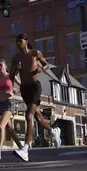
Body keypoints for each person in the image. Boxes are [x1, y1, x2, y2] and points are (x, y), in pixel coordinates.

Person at [9, 33, 59, 161]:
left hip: (35, 87)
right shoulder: (16, 58)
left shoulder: (35, 53)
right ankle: (53, 131)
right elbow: (11, 76)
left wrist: (41, 69)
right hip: (24, 89)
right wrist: (16, 69)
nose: (18, 44)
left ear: (26, 42)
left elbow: (46, 64)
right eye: (16, 42)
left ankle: (25, 149)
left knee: (29, 116)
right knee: (38, 118)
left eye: (20, 41)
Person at [0, 59, 25, 161]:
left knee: (1, 126)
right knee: (10, 129)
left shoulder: (10, 76)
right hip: (1, 105)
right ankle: (21, 148)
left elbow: (22, 86)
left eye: (1, 66)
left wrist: (14, 92)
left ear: (5, 67)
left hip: (9, 104)